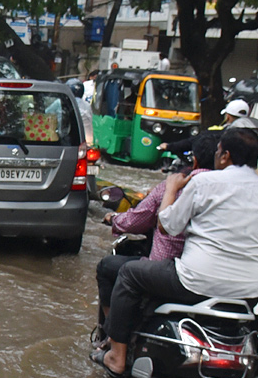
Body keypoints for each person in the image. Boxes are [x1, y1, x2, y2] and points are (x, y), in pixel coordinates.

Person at [95, 125, 258, 377]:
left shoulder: (203, 182)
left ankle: (116, 357)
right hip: (249, 294)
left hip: (193, 283)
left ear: (225, 155)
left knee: (129, 273)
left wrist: (172, 188)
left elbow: (168, 225)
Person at [93, 130, 221, 344]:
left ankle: (112, 342)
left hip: (176, 272)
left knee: (110, 268)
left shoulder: (177, 186)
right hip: (219, 278)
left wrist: (114, 220)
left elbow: (139, 221)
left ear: (195, 160)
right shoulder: (237, 192)